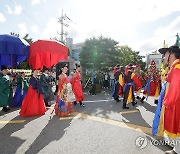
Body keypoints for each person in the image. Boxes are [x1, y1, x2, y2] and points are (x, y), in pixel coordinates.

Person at [152, 45, 180, 154]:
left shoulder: (177, 69)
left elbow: (175, 89)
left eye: (165, 55)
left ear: (172, 55)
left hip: (174, 105)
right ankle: (176, 149)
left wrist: (166, 103)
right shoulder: (175, 67)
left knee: (176, 127)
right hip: (174, 104)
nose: (163, 58)